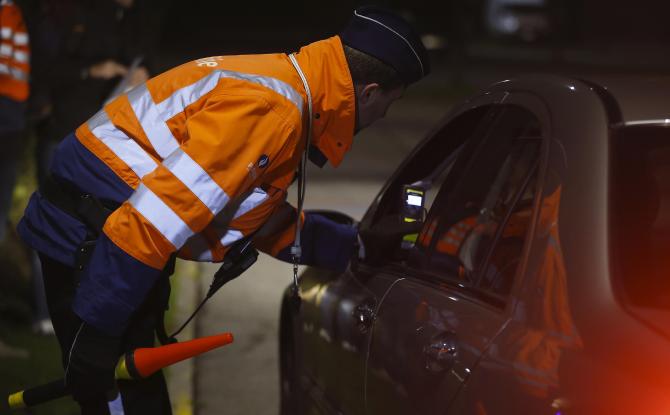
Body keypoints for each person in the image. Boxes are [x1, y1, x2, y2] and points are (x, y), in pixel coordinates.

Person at [17, 6, 430, 413]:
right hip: (95, 246)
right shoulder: (272, 111)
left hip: (102, 241)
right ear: (369, 91)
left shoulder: (286, 87)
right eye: (387, 105)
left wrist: (354, 245)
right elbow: (149, 224)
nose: (382, 116)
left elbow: (248, 218)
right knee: (121, 401)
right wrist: (98, 333)